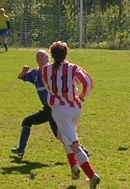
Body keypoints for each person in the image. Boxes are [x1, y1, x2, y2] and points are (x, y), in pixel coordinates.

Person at [11, 49, 91, 180]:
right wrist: (23, 72)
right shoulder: (35, 73)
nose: (39, 57)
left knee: (60, 135)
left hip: (55, 108)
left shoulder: (51, 71)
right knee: (27, 122)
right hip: (47, 109)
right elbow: (21, 77)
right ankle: (21, 150)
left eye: (42, 56)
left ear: (49, 58)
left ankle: (81, 150)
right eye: (38, 56)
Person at [42, 41, 100, 189]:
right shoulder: (73, 68)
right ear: (66, 53)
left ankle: (92, 175)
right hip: (75, 107)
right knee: (65, 136)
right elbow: (88, 82)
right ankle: (74, 167)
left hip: (60, 109)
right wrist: (81, 96)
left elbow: (48, 87)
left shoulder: (45, 70)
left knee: (74, 143)